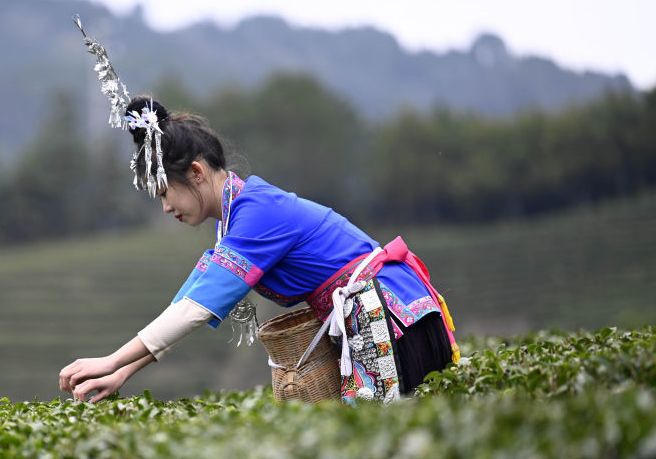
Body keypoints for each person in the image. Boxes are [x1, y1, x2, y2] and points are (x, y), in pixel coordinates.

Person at [59, 96, 458, 404]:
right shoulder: (232, 223)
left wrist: (111, 360)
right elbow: (188, 302)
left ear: (196, 172)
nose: (166, 208)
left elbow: (197, 311)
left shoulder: (257, 215)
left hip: (388, 314)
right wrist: (123, 372)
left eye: (166, 193)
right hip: (380, 313)